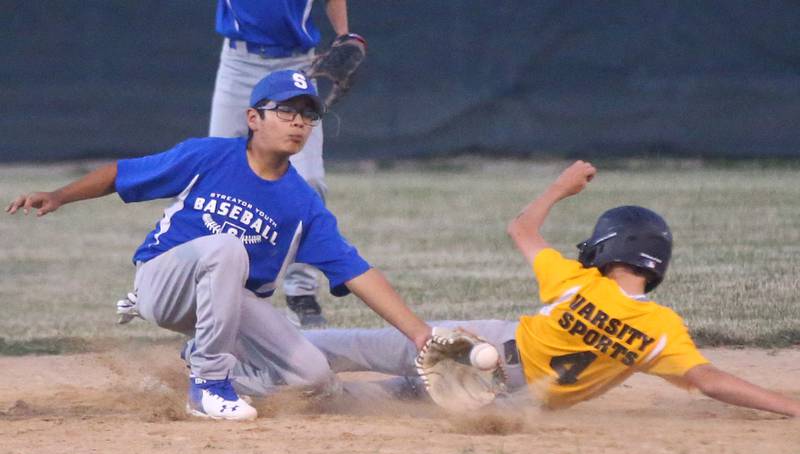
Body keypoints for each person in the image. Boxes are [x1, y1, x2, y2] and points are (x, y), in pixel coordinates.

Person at [6, 69, 431, 421]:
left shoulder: (302, 203)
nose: (299, 122)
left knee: (312, 378)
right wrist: (61, 195)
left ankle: (205, 367)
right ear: (253, 118)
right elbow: (121, 173)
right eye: (286, 110)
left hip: (230, 303)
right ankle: (207, 386)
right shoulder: (209, 156)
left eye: (308, 115)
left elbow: (355, 270)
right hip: (164, 282)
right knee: (227, 247)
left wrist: (420, 334)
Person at [301, 161, 800, 418]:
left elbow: (521, 228)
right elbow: (710, 382)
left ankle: (248, 359)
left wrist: (561, 187)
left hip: (484, 344)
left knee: (345, 346)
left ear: (609, 247)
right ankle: (297, 399)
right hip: (508, 400)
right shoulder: (660, 330)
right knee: (379, 399)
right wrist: (790, 406)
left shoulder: (577, 282)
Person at [209, 0, 360, 327]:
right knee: (215, 175)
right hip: (239, 62)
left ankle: (301, 290)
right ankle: (211, 291)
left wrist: (343, 34)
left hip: (295, 64)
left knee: (309, 182)